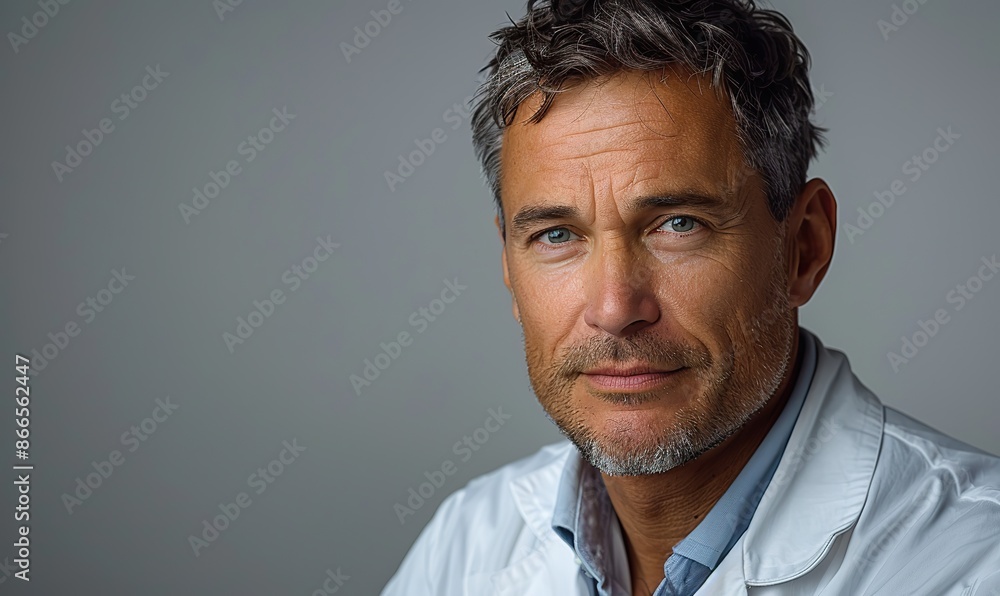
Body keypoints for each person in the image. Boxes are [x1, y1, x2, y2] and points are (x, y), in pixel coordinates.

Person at [382, 1, 1000, 594]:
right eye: (557, 236)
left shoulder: (974, 562)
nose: (615, 308)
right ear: (510, 268)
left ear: (803, 248)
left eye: (678, 224)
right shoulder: (465, 544)